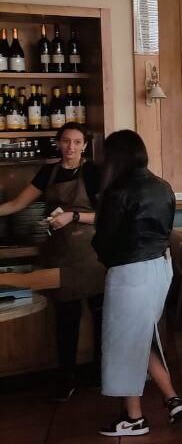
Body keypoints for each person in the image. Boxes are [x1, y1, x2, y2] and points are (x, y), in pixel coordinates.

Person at [0, 122, 104, 400]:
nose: (71, 147)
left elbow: (106, 215)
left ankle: (100, 373)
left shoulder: (93, 173)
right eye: (66, 141)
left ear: (85, 145)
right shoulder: (49, 172)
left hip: (92, 256)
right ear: (58, 143)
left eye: (77, 142)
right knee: (65, 319)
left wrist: (74, 216)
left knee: (100, 317)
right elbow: (18, 203)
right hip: (60, 254)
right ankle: (66, 379)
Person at [92, 130, 182, 436]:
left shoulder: (117, 191)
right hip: (161, 267)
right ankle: (172, 399)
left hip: (130, 272)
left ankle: (134, 418)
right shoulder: (163, 186)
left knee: (124, 342)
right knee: (141, 336)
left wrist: (104, 256)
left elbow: (104, 240)